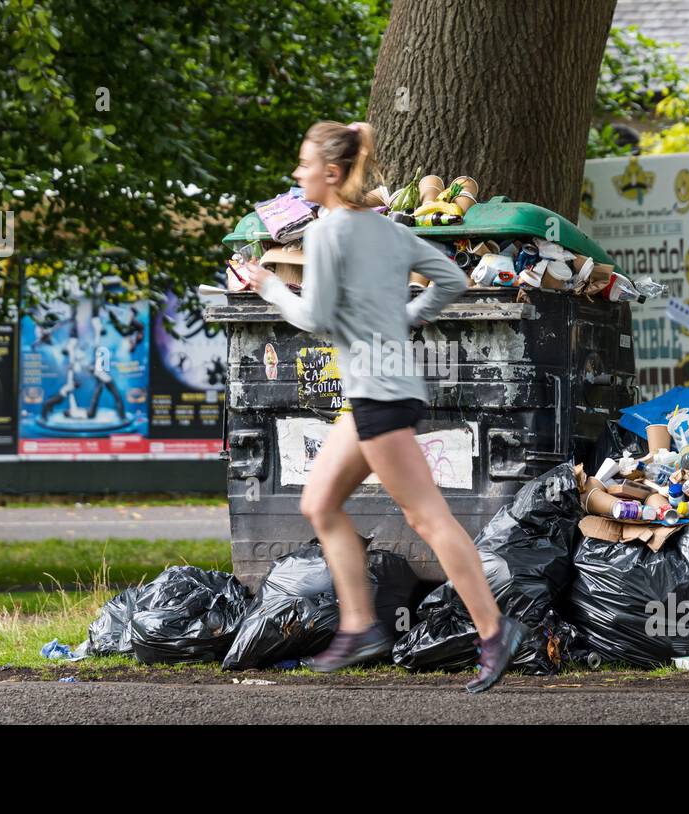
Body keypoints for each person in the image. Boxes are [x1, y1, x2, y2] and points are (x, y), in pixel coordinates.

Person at [243, 120, 526, 693]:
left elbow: (316, 317)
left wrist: (268, 286)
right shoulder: (387, 230)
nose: (297, 175)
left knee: (430, 519)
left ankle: (495, 632)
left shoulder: (326, 235)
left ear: (330, 172)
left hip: (379, 396)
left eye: (303, 166)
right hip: (378, 394)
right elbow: (449, 278)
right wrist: (405, 317)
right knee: (320, 503)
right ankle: (360, 626)